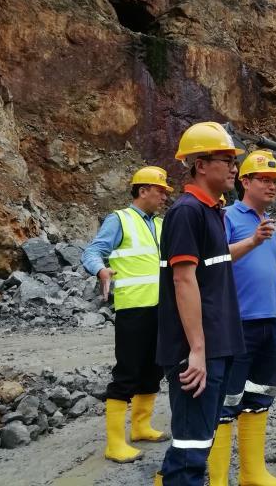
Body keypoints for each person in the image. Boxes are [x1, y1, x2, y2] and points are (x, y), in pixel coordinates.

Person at [155, 122, 246, 486]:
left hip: (214, 346)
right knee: (191, 449)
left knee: (196, 441)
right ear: (201, 165)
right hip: (195, 351)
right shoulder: (187, 212)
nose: (234, 168)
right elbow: (183, 280)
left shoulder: (212, 211)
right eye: (227, 160)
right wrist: (196, 351)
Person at [208, 150, 276, 486]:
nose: (272, 186)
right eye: (264, 180)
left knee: (259, 396)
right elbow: (213, 259)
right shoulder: (227, 217)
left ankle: (252, 473)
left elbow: (275, 275)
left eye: (275, 181)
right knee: (226, 402)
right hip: (236, 325)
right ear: (244, 181)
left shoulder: (267, 223)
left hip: (269, 324)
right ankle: (218, 480)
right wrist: (253, 241)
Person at [82, 166, 172, 463]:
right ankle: (115, 443)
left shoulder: (160, 224)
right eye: (160, 191)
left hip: (160, 308)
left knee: (153, 369)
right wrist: (101, 270)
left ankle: (141, 426)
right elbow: (92, 252)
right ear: (142, 190)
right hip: (133, 309)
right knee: (127, 372)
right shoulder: (120, 219)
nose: (164, 196)